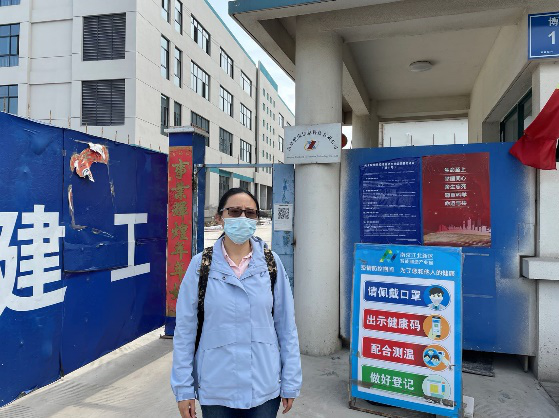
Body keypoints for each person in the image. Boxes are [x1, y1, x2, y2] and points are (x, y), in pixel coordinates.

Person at [171, 188, 302, 418]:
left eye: (250, 213)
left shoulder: (271, 264)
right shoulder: (201, 265)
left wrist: (290, 380)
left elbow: (286, 327)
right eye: (234, 211)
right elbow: (185, 331)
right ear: (220, 218)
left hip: (263, 385)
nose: (242, 218)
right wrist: (183, 388)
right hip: (216, 386)